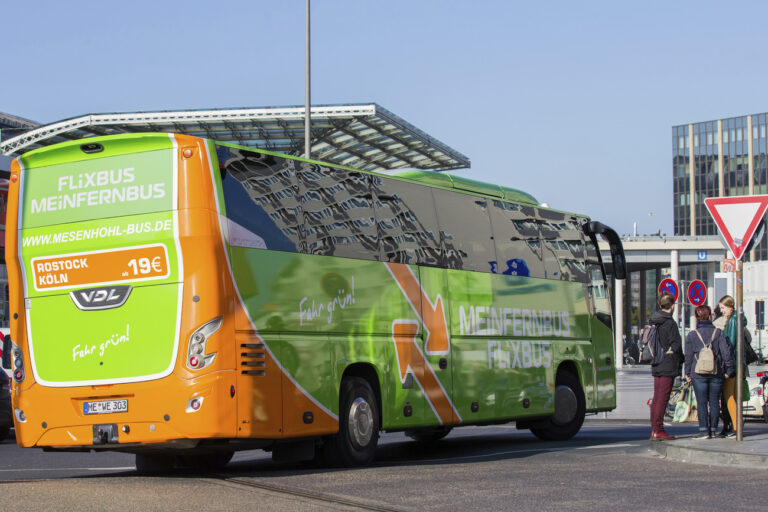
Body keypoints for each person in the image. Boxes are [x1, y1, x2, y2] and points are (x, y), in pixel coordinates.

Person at [684, 305, 734, 439]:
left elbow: (688, 356)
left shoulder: (692, 335)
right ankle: (713, 430)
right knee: (714, 402)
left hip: (698, 374)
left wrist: (687, 373)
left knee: (701, 402)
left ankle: (703, 431)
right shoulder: (718, 333)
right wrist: (729, 370)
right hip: (716, 372)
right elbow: (726, 353)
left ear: (697, 318)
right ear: (710, 317)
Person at [649, 291, 683, 440]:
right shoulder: (670, 323)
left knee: (656, 398)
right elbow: (676, 343)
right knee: (662, 398)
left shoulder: (654, 320)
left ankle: (654, 429)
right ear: (672, 306)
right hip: (667, 364)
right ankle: (658, 430)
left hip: (656, 362)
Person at [718, 294, 749, 437]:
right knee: (735, 396)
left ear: (730, 307)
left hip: (733, 364)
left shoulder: (732, 321)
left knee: (728, 395)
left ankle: (737, 427)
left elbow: (729, 344)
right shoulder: (738, 319)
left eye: (723, 308)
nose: (722, 311)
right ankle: (737, 425)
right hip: (740, 364)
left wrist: (727, 366)